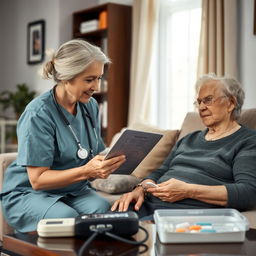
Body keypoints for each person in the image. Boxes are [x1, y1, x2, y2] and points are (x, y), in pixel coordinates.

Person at [0, 39, 126, 232]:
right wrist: (87, 171)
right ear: (67, 77)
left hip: (73, 189)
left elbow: (95, 151)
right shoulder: (38, 113)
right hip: (28, 192)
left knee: (103, 210)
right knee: (67, 219)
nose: (97, 87)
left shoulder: (90, 105)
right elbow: (37, 179)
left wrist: (109, 161)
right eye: (89, 79)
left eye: (99, 78)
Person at [111, 73, 256, 218]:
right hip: (147, 205)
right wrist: (140, 188)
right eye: (198, 102)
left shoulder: (247, 141)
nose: (201, 107)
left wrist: (188, 190)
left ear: (230, 103)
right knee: (104, 223)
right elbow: (159, 172)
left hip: (185, 214)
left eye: (208, 100)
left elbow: (248, 192)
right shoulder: (188, 139)